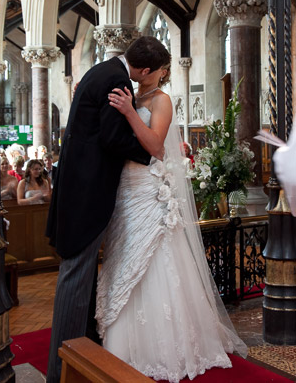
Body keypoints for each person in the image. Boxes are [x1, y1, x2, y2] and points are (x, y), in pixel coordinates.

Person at [100, 63, 246, 381]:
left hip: (148, 186)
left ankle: (166, 345)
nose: (139, 71)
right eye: (136, 65)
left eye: (147, 67)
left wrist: (128, 112)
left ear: (162, 71)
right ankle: (123, 343)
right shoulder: (131, 93)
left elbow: (155, 147)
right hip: (126, 188)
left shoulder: (161, 99)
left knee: (159, 261)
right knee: (127, 260)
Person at [44, 36, 168, 383]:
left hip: (77, 187)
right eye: (157, 71)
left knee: (81, 275)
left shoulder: (101, 71)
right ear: (145, 69)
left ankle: (81, 353)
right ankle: (61, 370)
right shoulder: (115, 80)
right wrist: (150, 155)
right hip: (88, 193)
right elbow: (112, 139)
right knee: (76, 275)